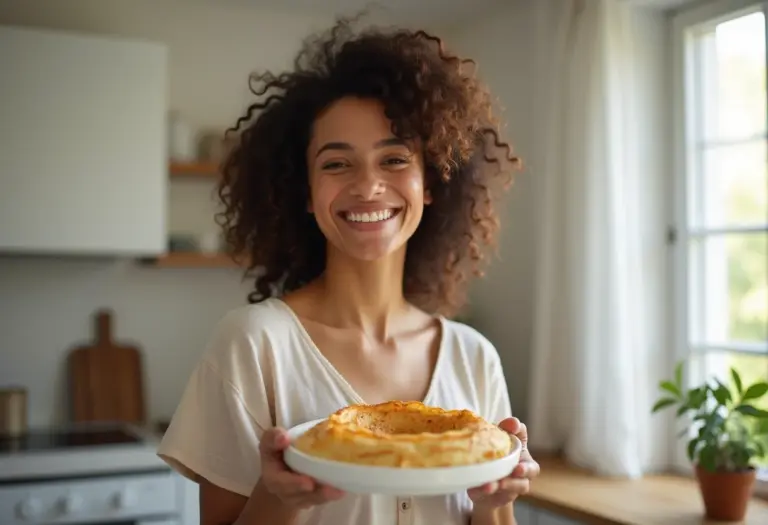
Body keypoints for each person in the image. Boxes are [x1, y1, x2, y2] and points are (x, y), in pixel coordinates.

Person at [157, 13, 539, 525]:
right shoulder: (254, 343)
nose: (367, 186)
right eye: (337, 163)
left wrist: (496, 502)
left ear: (430, 184)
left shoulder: (474, 358)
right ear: (307, 194)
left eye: (395, 159)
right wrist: (280, 496)